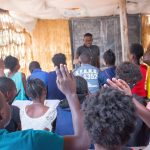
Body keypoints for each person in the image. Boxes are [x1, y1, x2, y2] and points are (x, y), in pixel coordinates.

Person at [0, 64, 90, 150]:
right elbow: (82, 142)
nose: (10, 104)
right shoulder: (32, 139)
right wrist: (71, 94)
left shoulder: (31, 135)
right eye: (6, 101)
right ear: (1, 114)